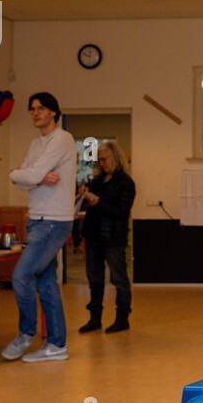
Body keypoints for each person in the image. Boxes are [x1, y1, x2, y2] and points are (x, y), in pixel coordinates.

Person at [3, 92, 77, 363]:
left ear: (54, 113)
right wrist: (32, 177)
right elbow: (27, 178)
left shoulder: (62, 139)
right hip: (36, 218)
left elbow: (27, 176)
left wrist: (22, 175)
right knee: (47, 284)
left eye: (41, 108)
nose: (36, 113)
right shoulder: (36, 144)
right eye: (32, 109)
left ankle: (25, 333)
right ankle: (57, 345)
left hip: (53, 220)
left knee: (21, 276)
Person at [78, 139, 135, 334]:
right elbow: (90, 209)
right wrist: (85, 197)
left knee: (119, 279)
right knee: (94, 279)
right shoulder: (96, 181)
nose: (101, 163)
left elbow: (120, 212)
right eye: (99, 160)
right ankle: (94, 319)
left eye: (104, 159)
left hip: (114, 239)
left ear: (116, 158)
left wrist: (98, 202)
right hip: (93, 237)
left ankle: (122, 319)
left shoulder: (126, 183)